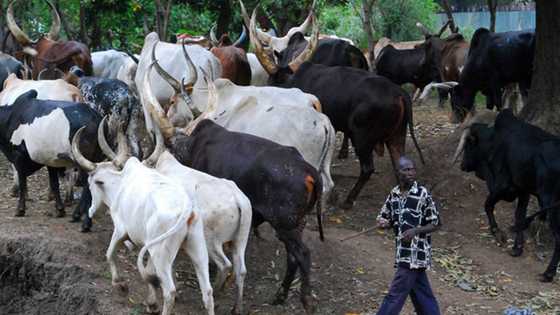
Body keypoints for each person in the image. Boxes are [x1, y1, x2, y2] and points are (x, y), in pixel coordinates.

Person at [375, 156, 441, 315]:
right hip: (402, 253)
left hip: (415, 254)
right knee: (423, 295)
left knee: (395, 295)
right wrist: (384, 223)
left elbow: (436, 223)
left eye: (412, 169)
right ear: (398, 173)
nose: (411, 173)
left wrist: (415, 231)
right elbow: (385, 217)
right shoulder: (394, 194)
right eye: (406, 170)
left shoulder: (422, 194)